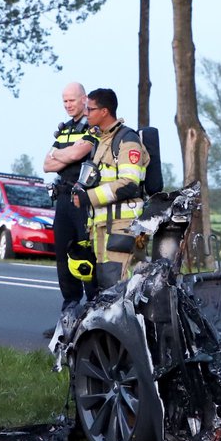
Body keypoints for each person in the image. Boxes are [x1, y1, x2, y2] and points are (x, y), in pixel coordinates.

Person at [78, 87, 150, 289]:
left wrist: (88, 197)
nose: (86, 113)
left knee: (120, 289)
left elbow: (128, 184)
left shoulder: (127, 140)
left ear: (104, 111)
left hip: (123, 228)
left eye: (90, 109)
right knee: (104, 290)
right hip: (102, 228)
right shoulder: (101, 141)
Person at [42, 82, 96, 312]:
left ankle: (94, 307)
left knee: (84, 253)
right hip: (62, 198)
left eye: (71, 100)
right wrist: (66, 155)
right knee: (63, 256)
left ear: (84, 99)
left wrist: (60, 155)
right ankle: (69, 311)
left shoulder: (93, 127)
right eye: (64, 101)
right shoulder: (64, 128)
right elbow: (46, 164)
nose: (67, 105)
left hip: (82, 199)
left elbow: (77, 153)